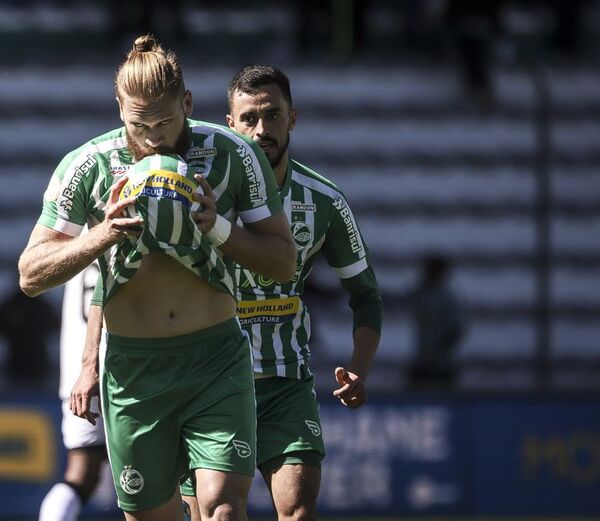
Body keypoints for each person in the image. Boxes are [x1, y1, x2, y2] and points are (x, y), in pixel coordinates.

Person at [18, 35, 296, 521]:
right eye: (138, 124)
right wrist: (103, 233)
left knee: (223, 508)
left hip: (215, 360)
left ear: (187, 103)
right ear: (119, 108)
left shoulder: (231, 153)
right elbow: (30, 274)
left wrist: (219, 228)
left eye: (165, 122)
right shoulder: (89, 166)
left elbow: (282, 259)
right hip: (133, 370)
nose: (152, 137)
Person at [181, 65, 383, 521]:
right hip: (208, 380)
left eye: (272, 116)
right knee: (220, 515)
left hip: (284, 382)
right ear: (229, 123)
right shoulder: (197, 196)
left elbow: (366, 295)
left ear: (293, 118)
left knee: (296, 512)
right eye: (249, 118)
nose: (261, 129)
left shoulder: (324, 202)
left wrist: (359, 369)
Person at [38, 262, 114, 521]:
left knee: (82, 472)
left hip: (77, 371)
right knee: (158, 470)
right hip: (130, 365)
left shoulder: (77, 232)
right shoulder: (129, 229)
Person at [406, 254, 467, 390]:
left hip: (442, 364)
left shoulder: (448, 299)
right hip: (422, 360)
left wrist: (438, 353)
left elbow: (456, 330)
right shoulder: (420, 294)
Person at [0, 280, 59, 388]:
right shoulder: (12, 303)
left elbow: (55, 325)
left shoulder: (42, 304)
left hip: (37, 362)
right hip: (17, 362)